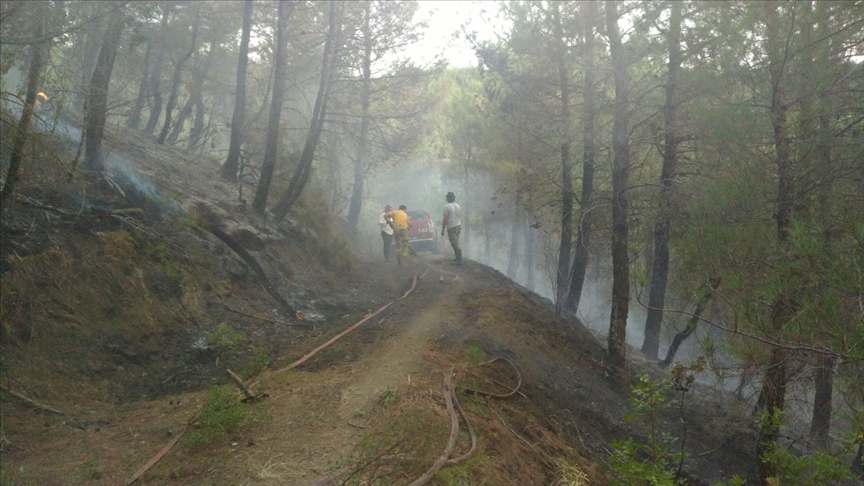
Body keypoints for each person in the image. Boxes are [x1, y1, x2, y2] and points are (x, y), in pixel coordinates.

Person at [441, 192, 462, 265]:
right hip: (458, 225)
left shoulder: (447, 207)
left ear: (447, 198)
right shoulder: (458, 205)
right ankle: (457, 258)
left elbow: (445, 218)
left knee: (454, 243)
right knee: (456, 241)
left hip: (451, 226)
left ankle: (459, 260)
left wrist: (443, 229)